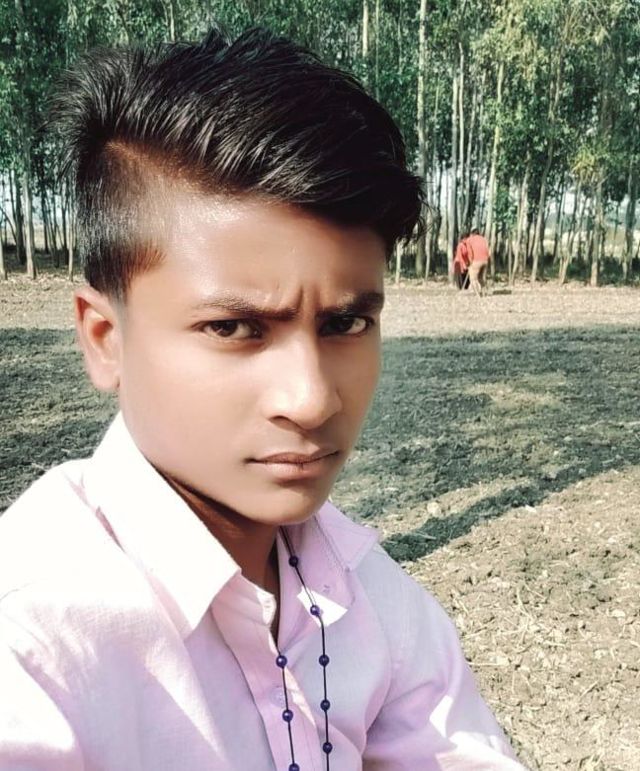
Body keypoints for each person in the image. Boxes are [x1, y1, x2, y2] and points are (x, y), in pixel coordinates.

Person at [0, 27, 525, 770]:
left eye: (346, 323)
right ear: (104, 338)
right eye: (233, 327)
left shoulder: (363, 588)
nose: (311, 400)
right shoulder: (33, 649)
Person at [466, 228, 491, 296]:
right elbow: (489, 251)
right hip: (485, 260)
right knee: (481, 278)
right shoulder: (484, 239)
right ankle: (484, 293)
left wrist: (470, 262)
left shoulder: (469, 240)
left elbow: (470, 252)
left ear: (472, 234)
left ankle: (477, 294)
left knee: (473, 279)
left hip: (476, 260)